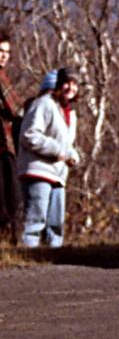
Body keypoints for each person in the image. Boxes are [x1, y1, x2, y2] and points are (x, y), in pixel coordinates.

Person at [18, 67, 81, 248]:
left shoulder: (69, 112)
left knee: (55, 223)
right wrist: (58, 151)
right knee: (35, 221)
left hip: (58, 174)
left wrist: (72, 155)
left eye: (75, 84)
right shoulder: (43, 104)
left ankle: (55, 260)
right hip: (38, 170)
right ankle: (27, 255)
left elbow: (66, 144)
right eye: (67, 83)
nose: (71, 88)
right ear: (58, 85)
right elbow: (29, 135)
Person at [0, 29, 23, 244]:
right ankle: (14, 242)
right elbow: (15, 109)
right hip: (3, 145)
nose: (4, 56)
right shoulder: (0, 76)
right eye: (0, 51)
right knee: (11, 197)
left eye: (7, 52)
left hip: (5, 143)